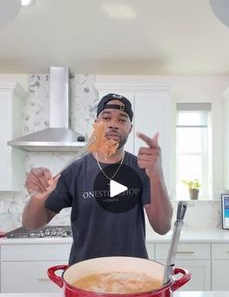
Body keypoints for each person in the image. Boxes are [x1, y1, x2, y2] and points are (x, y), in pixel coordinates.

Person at [23, 93, 173, 265]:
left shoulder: (142, 169)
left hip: (133, 273)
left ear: (130, 128)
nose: (113, 124)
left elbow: (163, 227)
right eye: (106, 117)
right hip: (84, 274)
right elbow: (32, 224)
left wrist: (157, 175)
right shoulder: (74, 171)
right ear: (96, 125)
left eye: (122, 120)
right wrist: (37, 198)